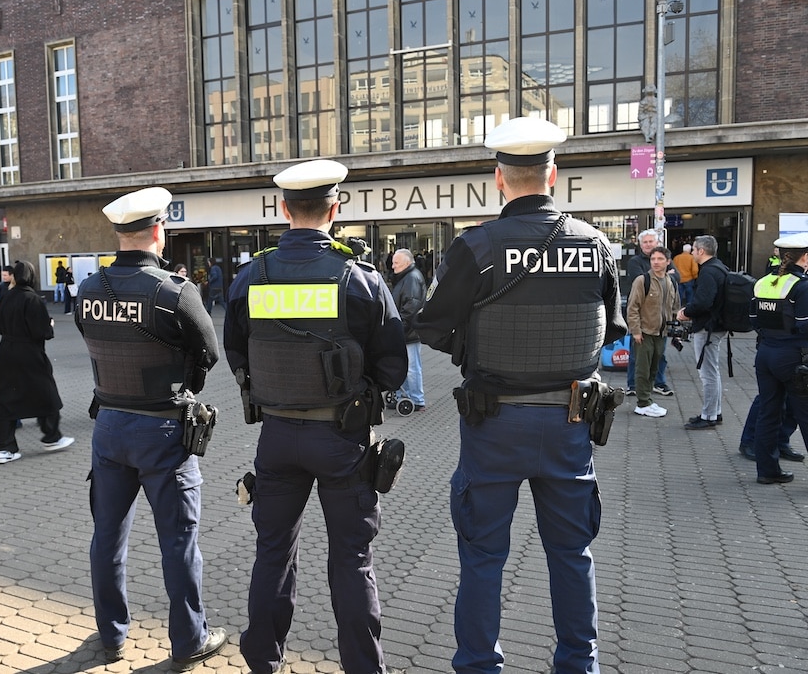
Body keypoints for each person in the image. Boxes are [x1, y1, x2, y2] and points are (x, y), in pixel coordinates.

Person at [415, 117, 626, 674]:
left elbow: (432, 328)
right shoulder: (597, 245)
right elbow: (612, 327)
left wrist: (478, 344)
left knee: (483, 557)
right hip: (570, 424)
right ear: (553, 174)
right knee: (572, 556)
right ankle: (579, 666)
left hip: (494, 425)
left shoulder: (476, 246)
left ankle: (480, 666)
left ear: (498, 178)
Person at [224, 159, 407, 674]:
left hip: (276, 437)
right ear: (336, 208)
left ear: (284, 209)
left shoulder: (251, 276)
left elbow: (236, 353)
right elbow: (393, 365)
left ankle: (262, 661)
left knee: (272, 553)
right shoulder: (361, 278)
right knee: (352, 560)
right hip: (342, 439)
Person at [75, 187, 226, 670]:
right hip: (163, 431)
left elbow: (91, 338)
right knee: (179, 544)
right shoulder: (174, 291)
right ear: (159, 231)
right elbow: (210, 353)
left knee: (107, 539)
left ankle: (111, 635)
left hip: (110, 427)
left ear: (120, 234)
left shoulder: (90, 289)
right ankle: (188, 641)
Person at [0, 260, 74, 464]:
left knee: (6, 396)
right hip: (29, 352)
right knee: (46, 392)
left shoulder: (5, 298)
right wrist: (50, 325)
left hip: (6, 350)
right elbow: (42, 331)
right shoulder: (33, 299)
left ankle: (4, 447)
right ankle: (51, 436)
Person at [748, 233, 808, 484]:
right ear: (804, 257)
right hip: (795, 358)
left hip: (766, 355)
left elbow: (753, 320)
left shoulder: (762, 283)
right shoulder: (802, 286)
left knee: (768, 413)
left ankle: (767, 471)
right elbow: (804, 326)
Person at [678, 235, 728, 429]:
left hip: (707, 329)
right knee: (712, 372)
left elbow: (703, 302)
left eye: (694, 250)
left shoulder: (708, 272)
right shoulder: (720, 268)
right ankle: (715, 411)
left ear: (701, 251)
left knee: (707, 374)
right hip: (717, 327)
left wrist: (685, 313)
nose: (691, 253)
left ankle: (709, 416)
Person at [627, 246, 680, 418]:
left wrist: (675, 325)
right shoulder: (642, 281)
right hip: (644, 332)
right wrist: (635, 331)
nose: (656, 262)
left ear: (668, 261)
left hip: (661, 333)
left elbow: (674, 306)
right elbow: (632, 307)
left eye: (659, 259)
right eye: (653, 259)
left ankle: (648, 399)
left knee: (653, 368)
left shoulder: (670, 281)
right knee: (642, 368)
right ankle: (642, 403)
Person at [625, 229, 674, 397]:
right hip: (644, 321)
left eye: (650, 241)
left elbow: (676, 278)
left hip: (661, 324)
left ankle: (657, 384)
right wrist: (636, 329)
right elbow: (639, 281)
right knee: (637, 358)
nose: (656, 262)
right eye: (644, 242)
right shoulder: (635, 262)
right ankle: (634, 387)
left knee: (659, 357)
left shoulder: (665, 260)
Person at [390, 248, 427, 411]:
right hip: (407, 330)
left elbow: (411, 308)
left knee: (412, 367)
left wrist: (397, 328)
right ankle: (404, 396)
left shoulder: (411, 278)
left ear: (406, 263)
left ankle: (417, 399)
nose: (392, 266)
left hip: (408, 332)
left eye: (396, 263)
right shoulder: (406, 277)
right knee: (406, 366)